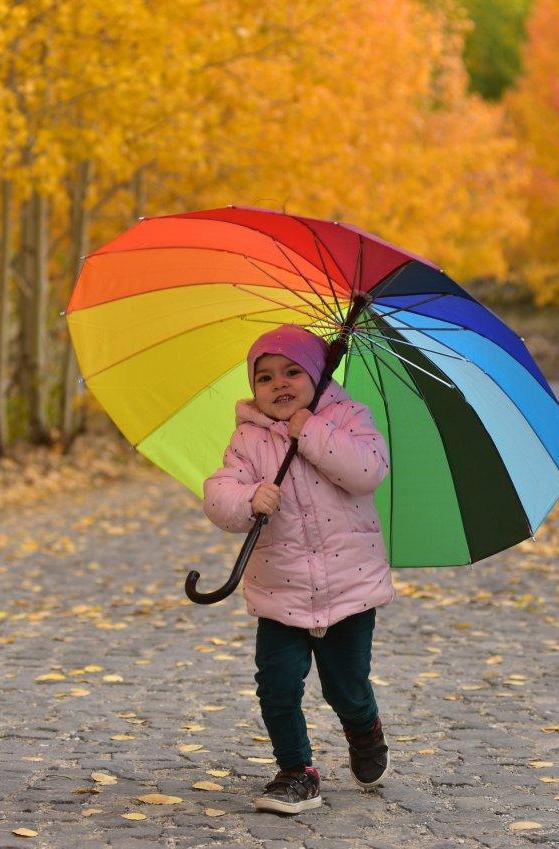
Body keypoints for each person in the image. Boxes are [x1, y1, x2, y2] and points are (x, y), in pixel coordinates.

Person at [203, 324, 394, 815]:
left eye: (292, 371)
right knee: (277, 684)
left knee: (345, 688)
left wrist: (309, 429)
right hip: (280, 589)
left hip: (348, 590)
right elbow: (219, 493)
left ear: (317, 374)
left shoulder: (348, 419)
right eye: (264, 377)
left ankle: (365, 729)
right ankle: (295, 771)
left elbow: (366, 471)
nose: (279, 384)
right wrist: (249, 498)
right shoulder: (248, 439)